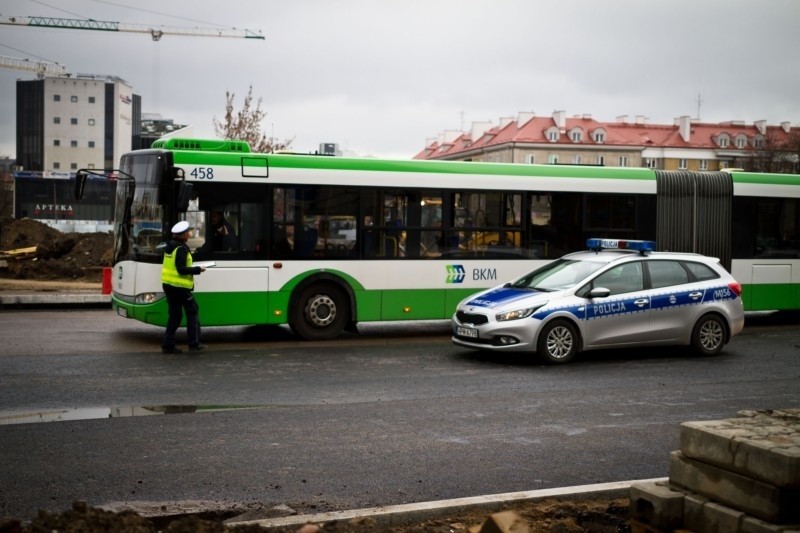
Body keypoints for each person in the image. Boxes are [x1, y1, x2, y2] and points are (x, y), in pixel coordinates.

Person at [161, 220, 207, 354]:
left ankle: (167, 345)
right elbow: (181, 269)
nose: (189, 234)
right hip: (180, 287)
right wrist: (198, 269)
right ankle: (194, 343)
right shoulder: (181, 248)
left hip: (169, 285)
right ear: (182, 235)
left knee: (174, 316)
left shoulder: (169, 246)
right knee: (192, 312)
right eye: (187, 232)